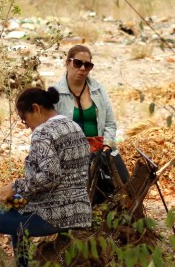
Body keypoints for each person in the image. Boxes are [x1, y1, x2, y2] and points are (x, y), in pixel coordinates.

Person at [0, 87, 91, 267]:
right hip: (79, 212)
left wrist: (16, 186)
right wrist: (22, 194)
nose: (27, 127)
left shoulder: (43, 132)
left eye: (25, 120)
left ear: (36, 109)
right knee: (18, 210)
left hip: (52, 215)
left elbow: (50, 175)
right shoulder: (73, 127)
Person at [52, 45, 129, 202]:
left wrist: (107, 145)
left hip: (101, 148)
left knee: (126, 186)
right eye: (77, 63)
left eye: (87, 65)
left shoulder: (98, 90)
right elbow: (50, 129)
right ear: (67, 63)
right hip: (71, 154)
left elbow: (110, 123)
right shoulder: (54, 93)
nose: (82, 68)